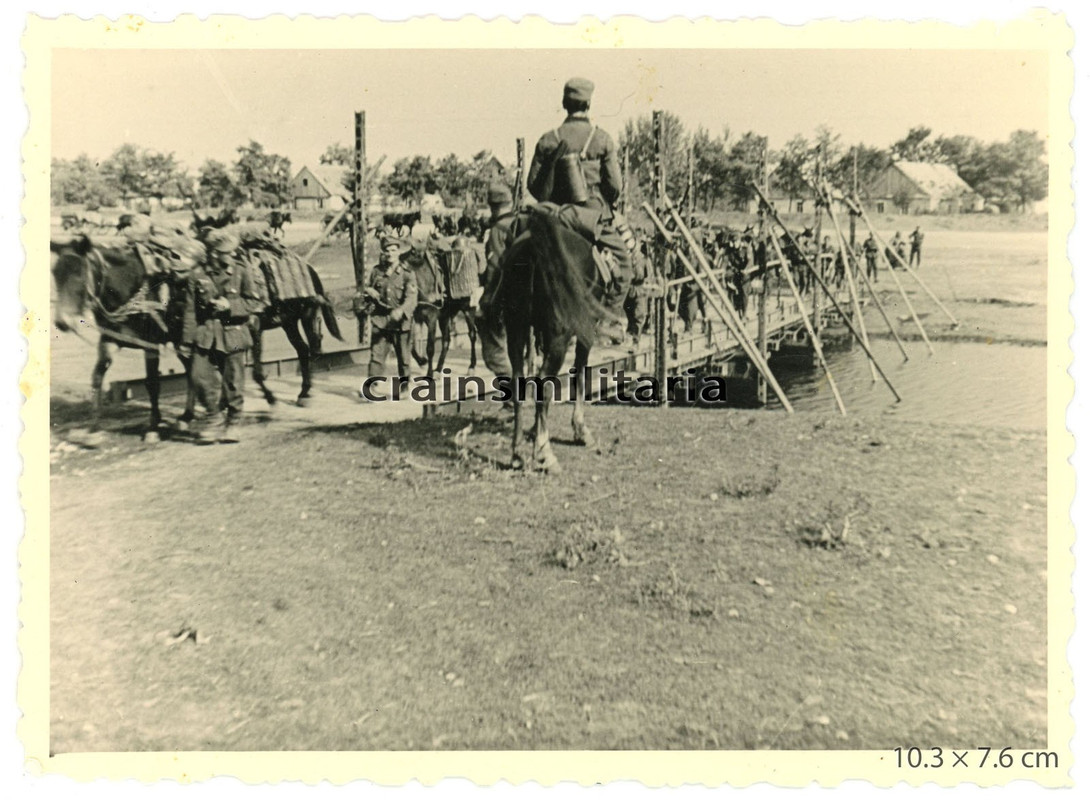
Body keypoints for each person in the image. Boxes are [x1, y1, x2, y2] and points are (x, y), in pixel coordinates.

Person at [526, 76, 631, 339]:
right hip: (591, 218)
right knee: (624, 264)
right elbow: (615, 187)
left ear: (564, 103)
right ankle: (610, 319)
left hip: (554, 216)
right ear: (588, 104)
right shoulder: (601, 139)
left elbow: (533, 186)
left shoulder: (548, 139)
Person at [183, 229, 263, 443]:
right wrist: (187, 341)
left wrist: (230, 306)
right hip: (206, 334)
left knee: (234, 380)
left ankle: (234, 422)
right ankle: (213, 417)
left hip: (233, 334)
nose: (233, 255)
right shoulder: (197, 274)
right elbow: (190, 310)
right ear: (214, 253)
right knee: (198, 376)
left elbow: (254, 302)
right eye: (227, 252)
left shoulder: (241, 271)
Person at [362, 235, 417, 390]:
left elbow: (412, 298)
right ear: (383, 253)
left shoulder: (407, 273)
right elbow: (367, 290)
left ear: (399, 252)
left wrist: (401, 310)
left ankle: (404, 387)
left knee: (404, 358)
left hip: (401, 323)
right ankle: (371, 387)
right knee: (376, 356)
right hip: (381, 320)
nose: (390, 254)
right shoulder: (376, 272)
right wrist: (369, 291)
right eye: (387, 250)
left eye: (393, 250)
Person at [477, 182, 519, 379]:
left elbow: (494, 267)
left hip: (504, 298)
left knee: (493, 350)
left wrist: (485, 302)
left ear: (493, 207)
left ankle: (510, 389)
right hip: (527, 297)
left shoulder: (497, 229)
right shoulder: (520, 222)